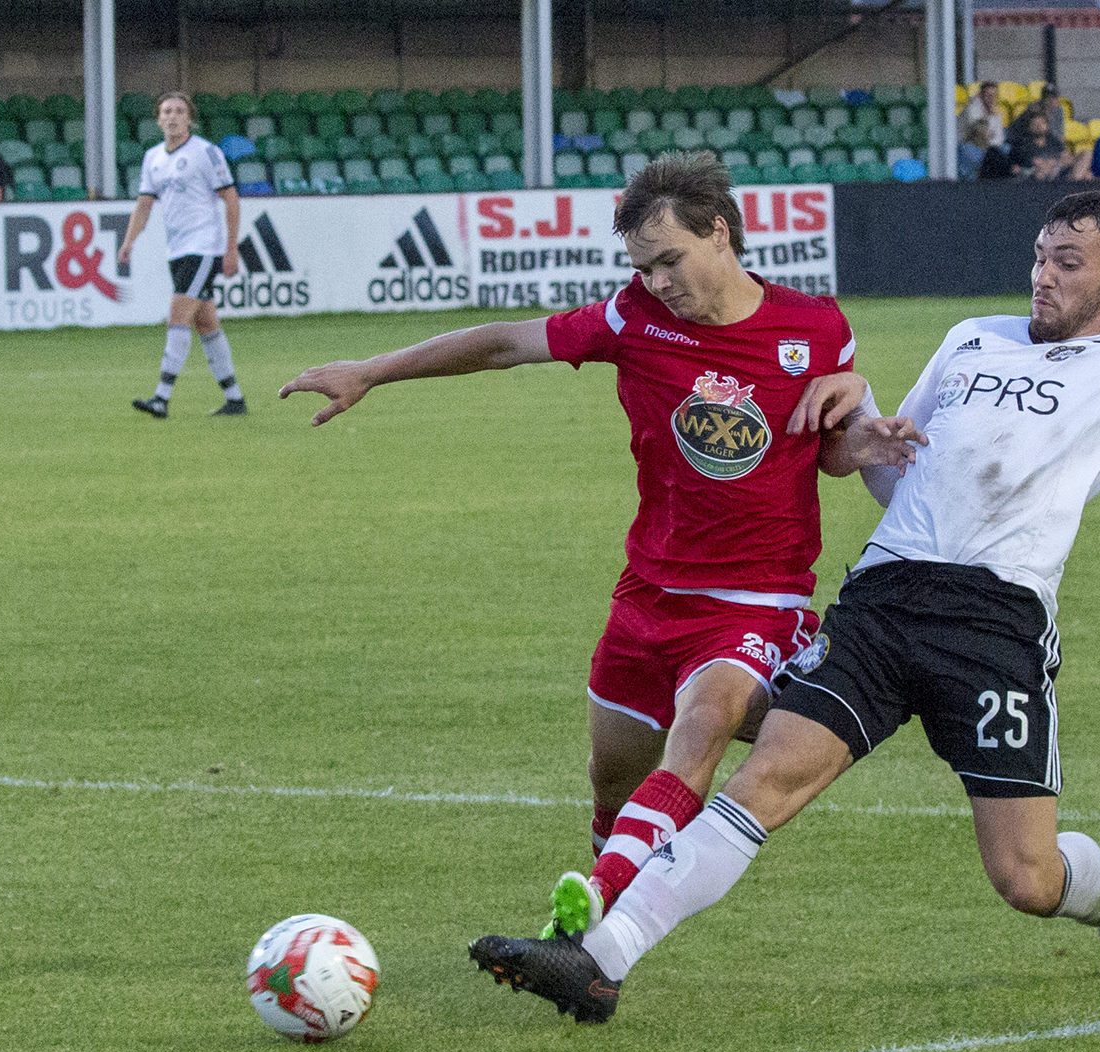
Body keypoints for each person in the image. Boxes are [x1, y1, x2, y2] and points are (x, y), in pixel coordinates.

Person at [469, 104, 1100, 1025]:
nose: (1044, 276)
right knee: (768, 781)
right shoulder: (972, 336)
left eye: (1069, 263)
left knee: (1026, 878)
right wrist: (854, 403)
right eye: (1041, 256)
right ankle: (601, 956)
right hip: (883, 596)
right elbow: (894, 471)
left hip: (993, 623)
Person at [280, 153, 922, 943]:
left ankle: (587, 922)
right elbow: (504, 343)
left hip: (758, 596)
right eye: (643, 267)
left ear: (718, 232)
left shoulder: (816, 328)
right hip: (649, 595)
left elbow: (822, 445)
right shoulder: (633, 321)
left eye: (668, 260)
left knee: (703, 725)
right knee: (613, 783)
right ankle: (612, 878)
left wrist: (860, 433)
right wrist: (372, 371)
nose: (657, 281)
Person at [119, 92, 246, 418]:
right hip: (176, 250)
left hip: (203, 248)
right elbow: (145, 203)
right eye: (166, 111)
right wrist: (129, 241)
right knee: (206, 323)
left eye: (179, 111)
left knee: (178, 317)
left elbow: (230, 199)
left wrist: (230, 249)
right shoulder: (153, 158)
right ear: (158, 119)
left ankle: (161, 398)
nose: (172, 116)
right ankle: (235, 399)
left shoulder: (206, 152)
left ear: (190, 118)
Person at [960, 81, 1009, 180]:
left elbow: (999, 138)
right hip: (974, 146)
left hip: (990, 148)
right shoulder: (973, 110)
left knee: (1007, 149)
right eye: (988, 95)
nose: (991, 99)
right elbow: (979, 134)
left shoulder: (996, 113)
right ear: (980, 96)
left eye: (993, 95)